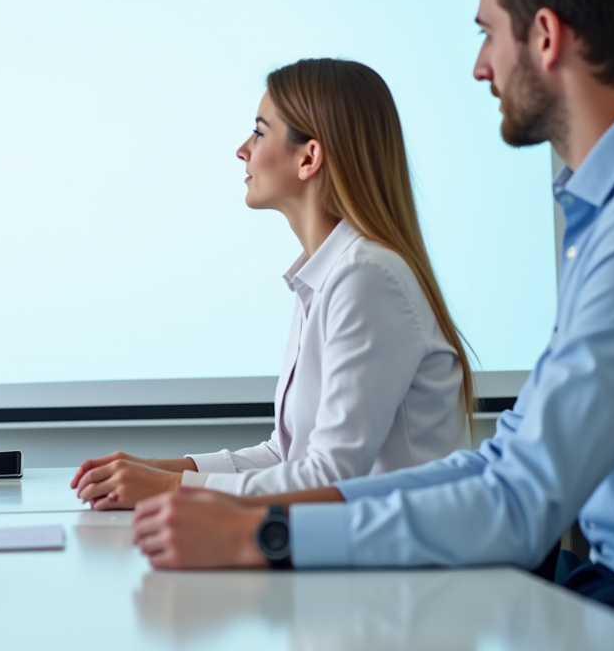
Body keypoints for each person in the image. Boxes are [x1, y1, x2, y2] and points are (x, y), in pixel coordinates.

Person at [130, 0, 614, 649]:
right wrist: (255, 512)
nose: (479, 67)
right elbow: (501, 462)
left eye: (488, 35)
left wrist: (266, 534)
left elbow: (520, 501)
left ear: (546, 37)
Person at [71, 58, 474, 510]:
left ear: (309, 158)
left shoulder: (366, 277)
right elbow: (287, 456)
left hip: (404, 550)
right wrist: (159, 469)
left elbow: (330, 476)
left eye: (259, 133)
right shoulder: (328, 273)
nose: (242, 150)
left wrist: (169, 489)